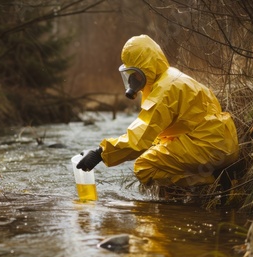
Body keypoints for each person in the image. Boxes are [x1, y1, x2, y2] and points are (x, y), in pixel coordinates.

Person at [76, 34, 239, 187]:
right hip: (221, 142)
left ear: (145, 68)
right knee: (158, 147)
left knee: (144, 166)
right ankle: (217, 175)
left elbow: (138, 140)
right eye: (129, 75)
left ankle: (213, 181)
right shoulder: (171, 77)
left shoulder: (164, 90)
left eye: (134, 73)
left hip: (210, 147)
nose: (132, 80)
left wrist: (100, 154)